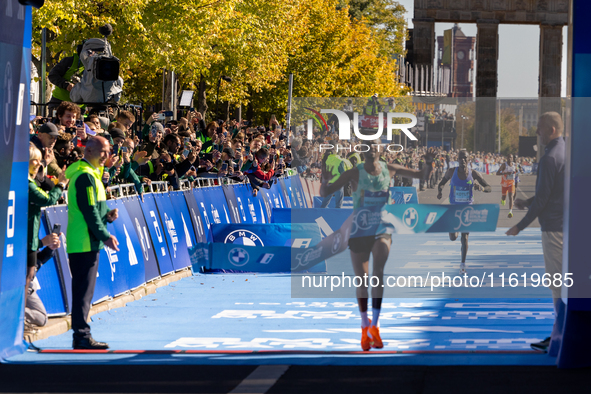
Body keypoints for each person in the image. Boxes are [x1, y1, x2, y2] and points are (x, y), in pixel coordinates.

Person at [319, 139, 433, 351]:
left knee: (378, 273)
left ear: (381, 150)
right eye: (367, 146)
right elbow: (325, 193)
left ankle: (376, 325)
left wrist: (428, 163)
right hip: (360, 228)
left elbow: (421, 176)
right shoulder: (354, 173)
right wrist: (324, 181)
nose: (371, 148)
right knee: (362, 279)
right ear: (363, 151)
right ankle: (365, 326)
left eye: (375, 145)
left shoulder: (390, 169)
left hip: (381, 228)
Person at [506, 112, 565, 355]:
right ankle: (557, 333)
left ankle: (559, 336)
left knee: (557, 286)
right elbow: (553, 192)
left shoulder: (549, 158)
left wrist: (519, 225)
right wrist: (527, 202)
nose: (537, 132)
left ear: (551, 129)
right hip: (565, 226)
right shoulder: (564, 152)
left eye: (539, 128)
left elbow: (543, 200)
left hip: (553, 229)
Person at [65, 136, 120, 349]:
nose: (106, 156)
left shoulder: (92, 176)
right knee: (82, 292)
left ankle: (82, 334)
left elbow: (94, 210)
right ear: (88, 151)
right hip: (84, 242)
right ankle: (81, 336)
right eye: (103, 151)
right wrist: (105, 235)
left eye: (108, 151)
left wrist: (107, 215)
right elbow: (88, 212)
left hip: (87, 241)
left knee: (84, 291)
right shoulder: (85, 177)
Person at [437, 149, 492, 274]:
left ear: (469, 160)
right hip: (454, 207)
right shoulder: (451, 171)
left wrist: (481, 188)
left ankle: (462, 264)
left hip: (467, 208)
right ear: (457, 159)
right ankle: (452, 231)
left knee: (465, 237)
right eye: (460, 158)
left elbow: (489, 187)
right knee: (453, 237)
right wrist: (440, 191)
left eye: (465, 158)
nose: (462, 160)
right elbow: (441, 183)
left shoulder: (474, 174)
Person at [497, 153, 517, 218]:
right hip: (504, 184)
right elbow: (497, 173)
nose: (510, 158)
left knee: (511, 197)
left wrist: (516, 171)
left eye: (511, 157)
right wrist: (506, 173)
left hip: (511, 183)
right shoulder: (504, 165)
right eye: (508, 157)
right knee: (504, 197)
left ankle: (510, 211)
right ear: (506, 158)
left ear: (512, 158)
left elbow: (516, 171)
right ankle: (503, 199)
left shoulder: (514, 164)